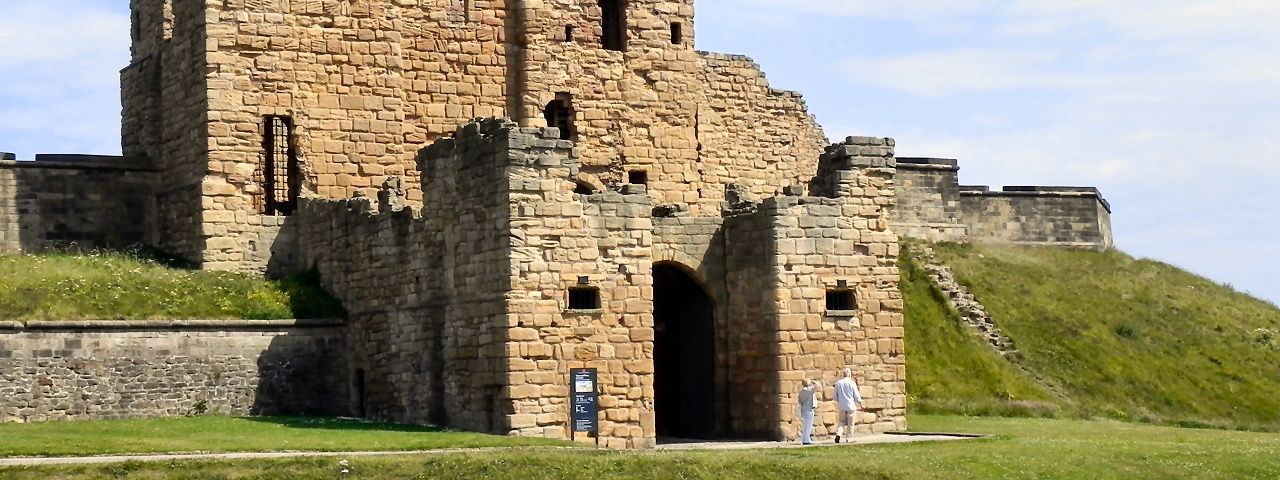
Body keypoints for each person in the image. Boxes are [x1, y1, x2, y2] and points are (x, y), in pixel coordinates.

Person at [833, 368, 862, 444]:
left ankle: (838, 434)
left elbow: (835, 396)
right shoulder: (852, 383)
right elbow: (856, 394)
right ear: (849, 374)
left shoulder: (838, 383)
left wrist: (840, 401)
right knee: (851, 423)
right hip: (851, 406)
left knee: (841, 422)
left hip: (842, 406)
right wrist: (859, 402)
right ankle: (849, 438)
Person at [797, 378, 821, 445]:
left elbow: (799, 401)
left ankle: (805, 439)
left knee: (805, 425)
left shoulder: (801, 391)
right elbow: (817, 385)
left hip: (804, 408)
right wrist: (812, 381)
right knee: (808, 425)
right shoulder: (810, 390)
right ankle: (806, 439)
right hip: (809, 409)